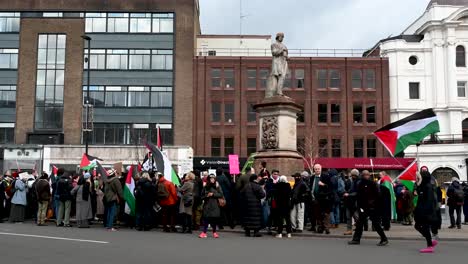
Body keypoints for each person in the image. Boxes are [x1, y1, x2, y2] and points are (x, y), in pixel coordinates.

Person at [348, 170, 388, 246]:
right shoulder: (360, 184)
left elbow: (378, 195)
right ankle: (356, 239)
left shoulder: (373, 183)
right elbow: (359, 195)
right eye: (364, 175)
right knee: (360, 223)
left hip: (372, 207)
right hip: (363, 207)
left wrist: (373, 203)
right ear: (362, 176)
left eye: (367, 175)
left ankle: (384, 238)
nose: (366, 176)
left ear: (369, 175)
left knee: (376, 224)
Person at [413, 170, 439, 253]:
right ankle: (431, 241)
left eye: (418, 177)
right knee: (418, 226)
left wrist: (424, 212)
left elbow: (428, 201)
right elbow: (419, 192)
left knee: (424, 227)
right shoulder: (423, 185)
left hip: (426, 212)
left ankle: (430, 245)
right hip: (423, 211)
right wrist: (418, 184)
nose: (416, 178)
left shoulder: (428, 187)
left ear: (422, 177)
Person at [199, 174, 224, 238]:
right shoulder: (205, 186)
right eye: (211, 178)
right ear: (209, 179)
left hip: (215, 205)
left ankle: (214, 232)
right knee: (206, 219)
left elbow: (221, 194)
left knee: (214, 219)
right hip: (207, 205)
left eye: (213, 178)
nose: (212, 180)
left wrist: (213, 194)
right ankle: (204, 232)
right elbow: (201, 196)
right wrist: (206, 196)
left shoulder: (217, 186)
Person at [343, 169, 358, 235]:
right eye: (352, 175)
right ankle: (349, 230)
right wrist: (345, 192)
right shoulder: (349, 181)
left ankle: (359, 228)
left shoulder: (358, 181)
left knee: (356, 216)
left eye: (353, 175)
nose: (352, 176)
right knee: (348, 216)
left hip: (355, 202)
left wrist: (349, 194)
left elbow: (358, 192)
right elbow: (347, 189)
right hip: (349, 201)